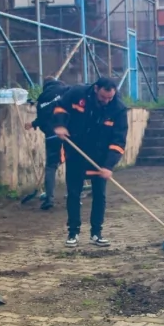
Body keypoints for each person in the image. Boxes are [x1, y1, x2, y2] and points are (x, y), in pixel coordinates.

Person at [52, 77, 128, 247]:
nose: (106, 101)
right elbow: (59, 108)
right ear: (96, 89)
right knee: (73, 193)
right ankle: (73, 233)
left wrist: (108, 166)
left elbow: (119, 140)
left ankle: (96, 233)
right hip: (76, 152)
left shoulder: (118, 109)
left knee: (99, 195)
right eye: (103, 97)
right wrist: (60, 125)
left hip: (100, 158)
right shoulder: (77, 93)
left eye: (110, 97)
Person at [25, 76, 70, 210]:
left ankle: (49, 199)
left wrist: (32, 124)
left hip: (51, 136)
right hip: (68, 133)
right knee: (73, 164)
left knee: (51, 167)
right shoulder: (65, 91)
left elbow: (43, 118)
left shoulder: (41, 99)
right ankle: (74, 196)